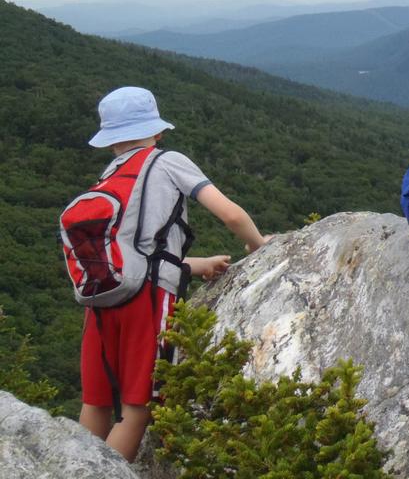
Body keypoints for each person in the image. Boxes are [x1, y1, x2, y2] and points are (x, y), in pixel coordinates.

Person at [77, 86, 271, 461]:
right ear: (158, 131)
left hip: (100, 298)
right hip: (147, 303)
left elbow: (132, 253)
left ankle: (72, 467)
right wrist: (259, 245)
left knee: (97, 402)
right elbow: (230, 214)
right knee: (138, 407)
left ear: (108, 140)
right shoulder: (166, 161)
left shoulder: (109, 173)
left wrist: (193, 266)